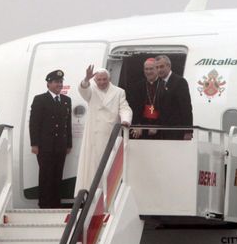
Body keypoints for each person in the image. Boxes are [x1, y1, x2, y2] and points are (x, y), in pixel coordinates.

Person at [74, 65, 132, 194]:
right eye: (99, 80)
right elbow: (83, 90)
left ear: (109, 79)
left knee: (109, 165)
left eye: (104, 79)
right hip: (93, 135)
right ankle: (90, 194)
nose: (101, 82)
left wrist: (125, 120)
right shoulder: (91, 90)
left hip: (110, 133)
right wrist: (86, 79)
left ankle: (108, 193)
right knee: (92, 166)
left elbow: (124, 108)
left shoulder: (118, 92)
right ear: (95, 80)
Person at [29, 69, 72, 208]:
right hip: (45, 145)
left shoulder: (66, 100)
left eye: (60, 82)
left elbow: (67, 124)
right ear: (48, 84)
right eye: (56, 82)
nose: (59, 84)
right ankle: (44, 203)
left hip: (60, 145)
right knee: (46, 175)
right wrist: (34, 144)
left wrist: (68, 143)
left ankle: (55, 203)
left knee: (57, 174)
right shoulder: (40, 99)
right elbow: (34, 123)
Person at [155, 55, 193, 140]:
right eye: (157, 67)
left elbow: (186, 107)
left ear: (169, 66)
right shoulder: (160, 83)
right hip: (164, 131)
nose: (159, 70)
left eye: (161, 67)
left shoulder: (179, 82)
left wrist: (188, 131)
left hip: (178, 132)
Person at [130, 58, 162, 139]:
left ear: (157, 69)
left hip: (161, 128)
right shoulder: (138, 86)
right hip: (142, 127)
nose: (148, 72)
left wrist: (157, 125)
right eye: (146, 69)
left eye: (151, 69)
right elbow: (134, 106)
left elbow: (169, 109)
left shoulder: (164, 84)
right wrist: (136, 124)